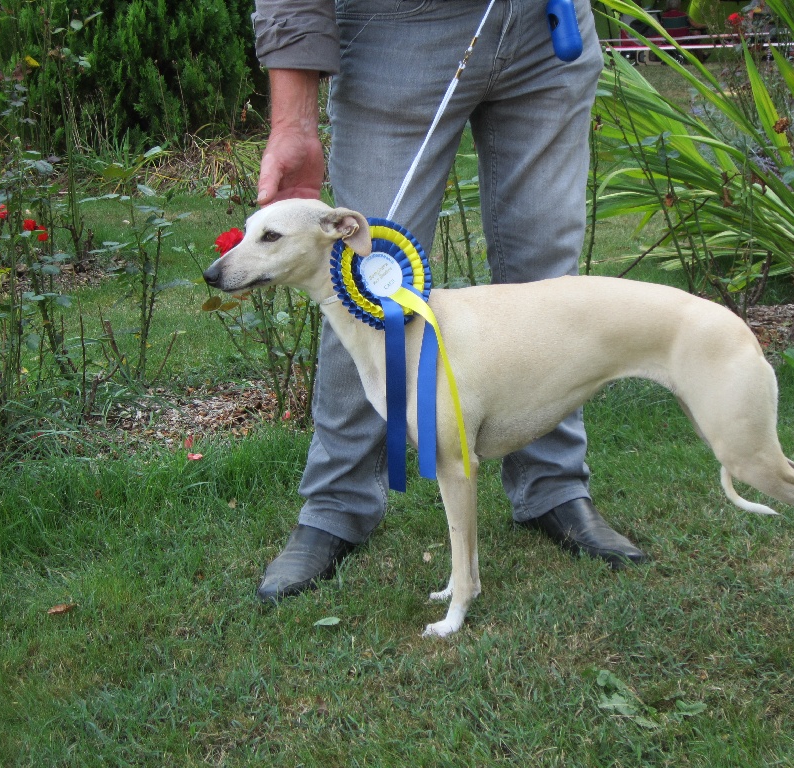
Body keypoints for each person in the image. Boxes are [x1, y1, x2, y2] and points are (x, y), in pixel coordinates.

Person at [251, 0, 647, 603]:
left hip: (549, 29)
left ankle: (554, 485)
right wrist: (293, 120)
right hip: (398, 33)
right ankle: (336, 505)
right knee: (362, 282)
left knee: (548, 274)